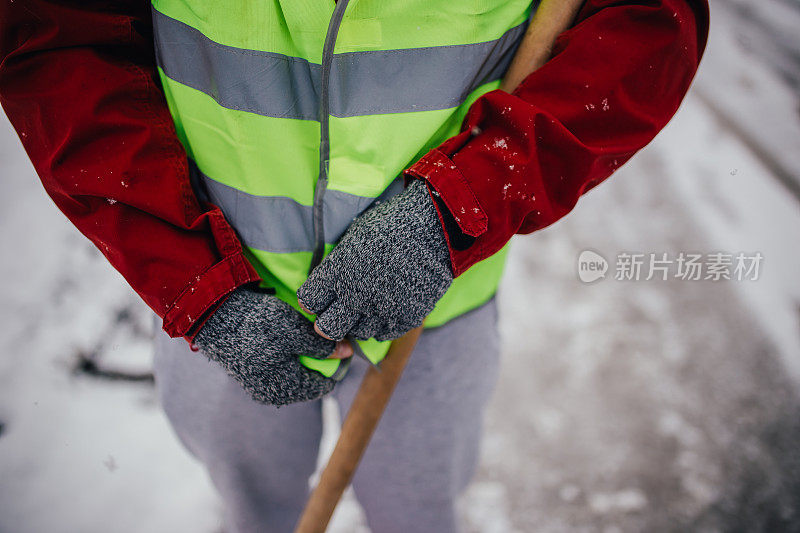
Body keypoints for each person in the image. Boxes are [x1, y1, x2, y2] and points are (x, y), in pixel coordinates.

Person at [0, 1, 709, 531]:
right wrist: (196, 282)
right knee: (253, 501)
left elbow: (647, 29)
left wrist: (454, 210)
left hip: (436, 308)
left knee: (416, 507)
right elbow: (59, 46)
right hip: (221, 295)